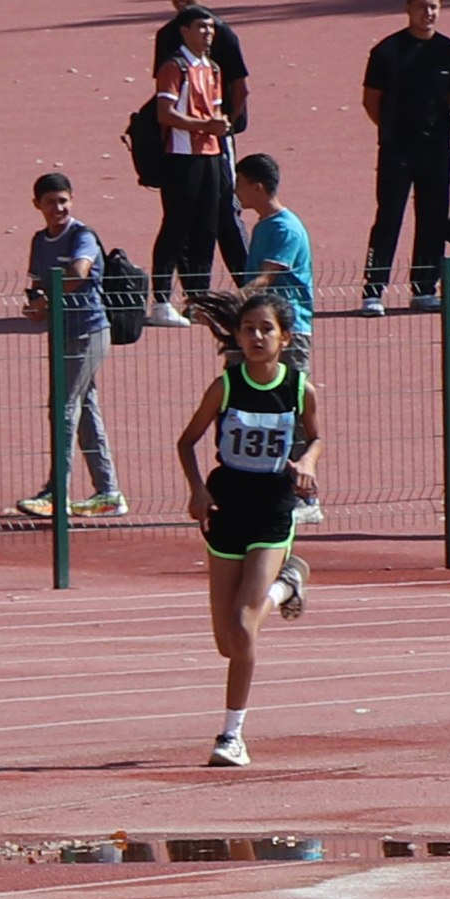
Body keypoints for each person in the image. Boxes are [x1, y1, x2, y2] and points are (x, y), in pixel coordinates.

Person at [175, 290, 323, 769]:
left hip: (273, 510)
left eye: (266, 329)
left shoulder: (299, 389)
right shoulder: (225, 386)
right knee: (228, 642)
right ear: (237, 336)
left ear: (285, 338)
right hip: (228, 507)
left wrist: (307, 461)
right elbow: (186, 441)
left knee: (243, 626)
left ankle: (231, 736)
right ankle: (287, 587)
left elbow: (316, 437)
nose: (257, 337)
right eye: (248, 329)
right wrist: (198, 490)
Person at [16, 173, 124, 517]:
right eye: (50, 202)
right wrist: (35, 305)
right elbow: (36, 284)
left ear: (72, 200)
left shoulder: (82, 236)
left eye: (63, 201)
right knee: (85, 407)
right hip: (61, 333)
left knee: (63, 407)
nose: (58, 208)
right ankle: (108, 492)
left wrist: (47, 301)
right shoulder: (39, 241)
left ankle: (56, 493)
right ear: (37, 205)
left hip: (89, 331)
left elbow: (78, 274)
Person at [361, 0, 450, 315]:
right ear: (408, 8)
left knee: (433, 218)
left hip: (435, 150)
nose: (428, 13)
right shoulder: (386, 52)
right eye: (422, 6)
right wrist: (392, 130)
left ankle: (424, 288)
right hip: (396, 150)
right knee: (389, 217)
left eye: (434, 6)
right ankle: (373, 290)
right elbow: (371, 100)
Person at [233, 153, 320, 524]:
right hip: (259, 328)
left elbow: (266, 278)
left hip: (287, 333)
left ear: (257, 186)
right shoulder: (263, 227)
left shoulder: (285, 228)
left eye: (240, 184)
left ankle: (306, 497)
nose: (236, 191)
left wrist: (232, 301)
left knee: (291, 409)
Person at [150, 6, 241, 322]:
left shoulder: (213, 68)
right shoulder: (174, 67)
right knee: (177, 225)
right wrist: (205, 126)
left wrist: (220, 125)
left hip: (211, 154)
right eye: (201, 27)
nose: (208, 33)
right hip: (181, 156)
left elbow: (214, 111)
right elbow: (165, 113)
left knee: (207, 227)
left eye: (211, 28)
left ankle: (198, 298)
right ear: (185, 31)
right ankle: (161, 300)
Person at [153, 0, 252, 136]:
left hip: (218, 123)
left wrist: (226, 126)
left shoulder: (221, 32)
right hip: (180, 130)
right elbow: (163, 86)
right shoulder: (166, 34)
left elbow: (240, 88)